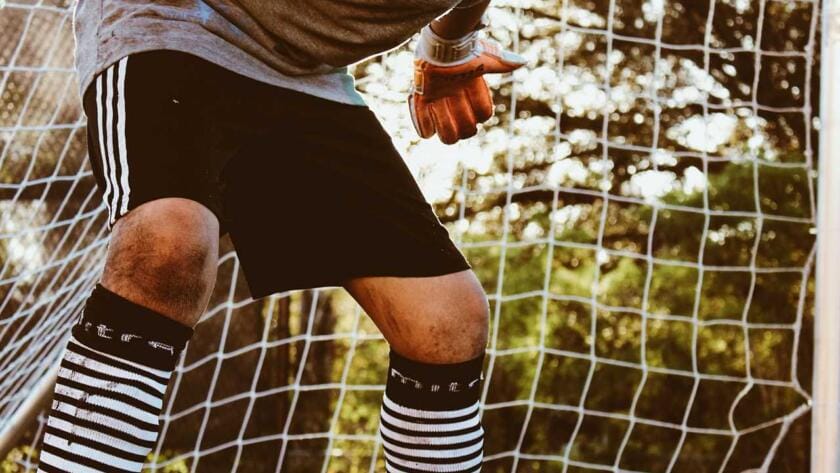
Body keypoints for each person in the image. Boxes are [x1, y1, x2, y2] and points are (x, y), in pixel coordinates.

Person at [37, 0, 525, 471]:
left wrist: (450, 49)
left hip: (304, 72)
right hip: (174, 21)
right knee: (170, 244)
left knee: (446, 319)